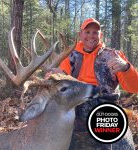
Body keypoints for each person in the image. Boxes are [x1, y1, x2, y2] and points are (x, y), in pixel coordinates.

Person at [47, 18, 138, 150]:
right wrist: (53, 76)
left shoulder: (113, 55)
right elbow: (62, 78)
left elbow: (134, 87)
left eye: (95, 32)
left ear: (101, 36)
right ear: (80, 35)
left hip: (104, 105)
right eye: (87, 32)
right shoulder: (71, 57)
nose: (91, 36)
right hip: (77, 102)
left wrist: (126, 68)